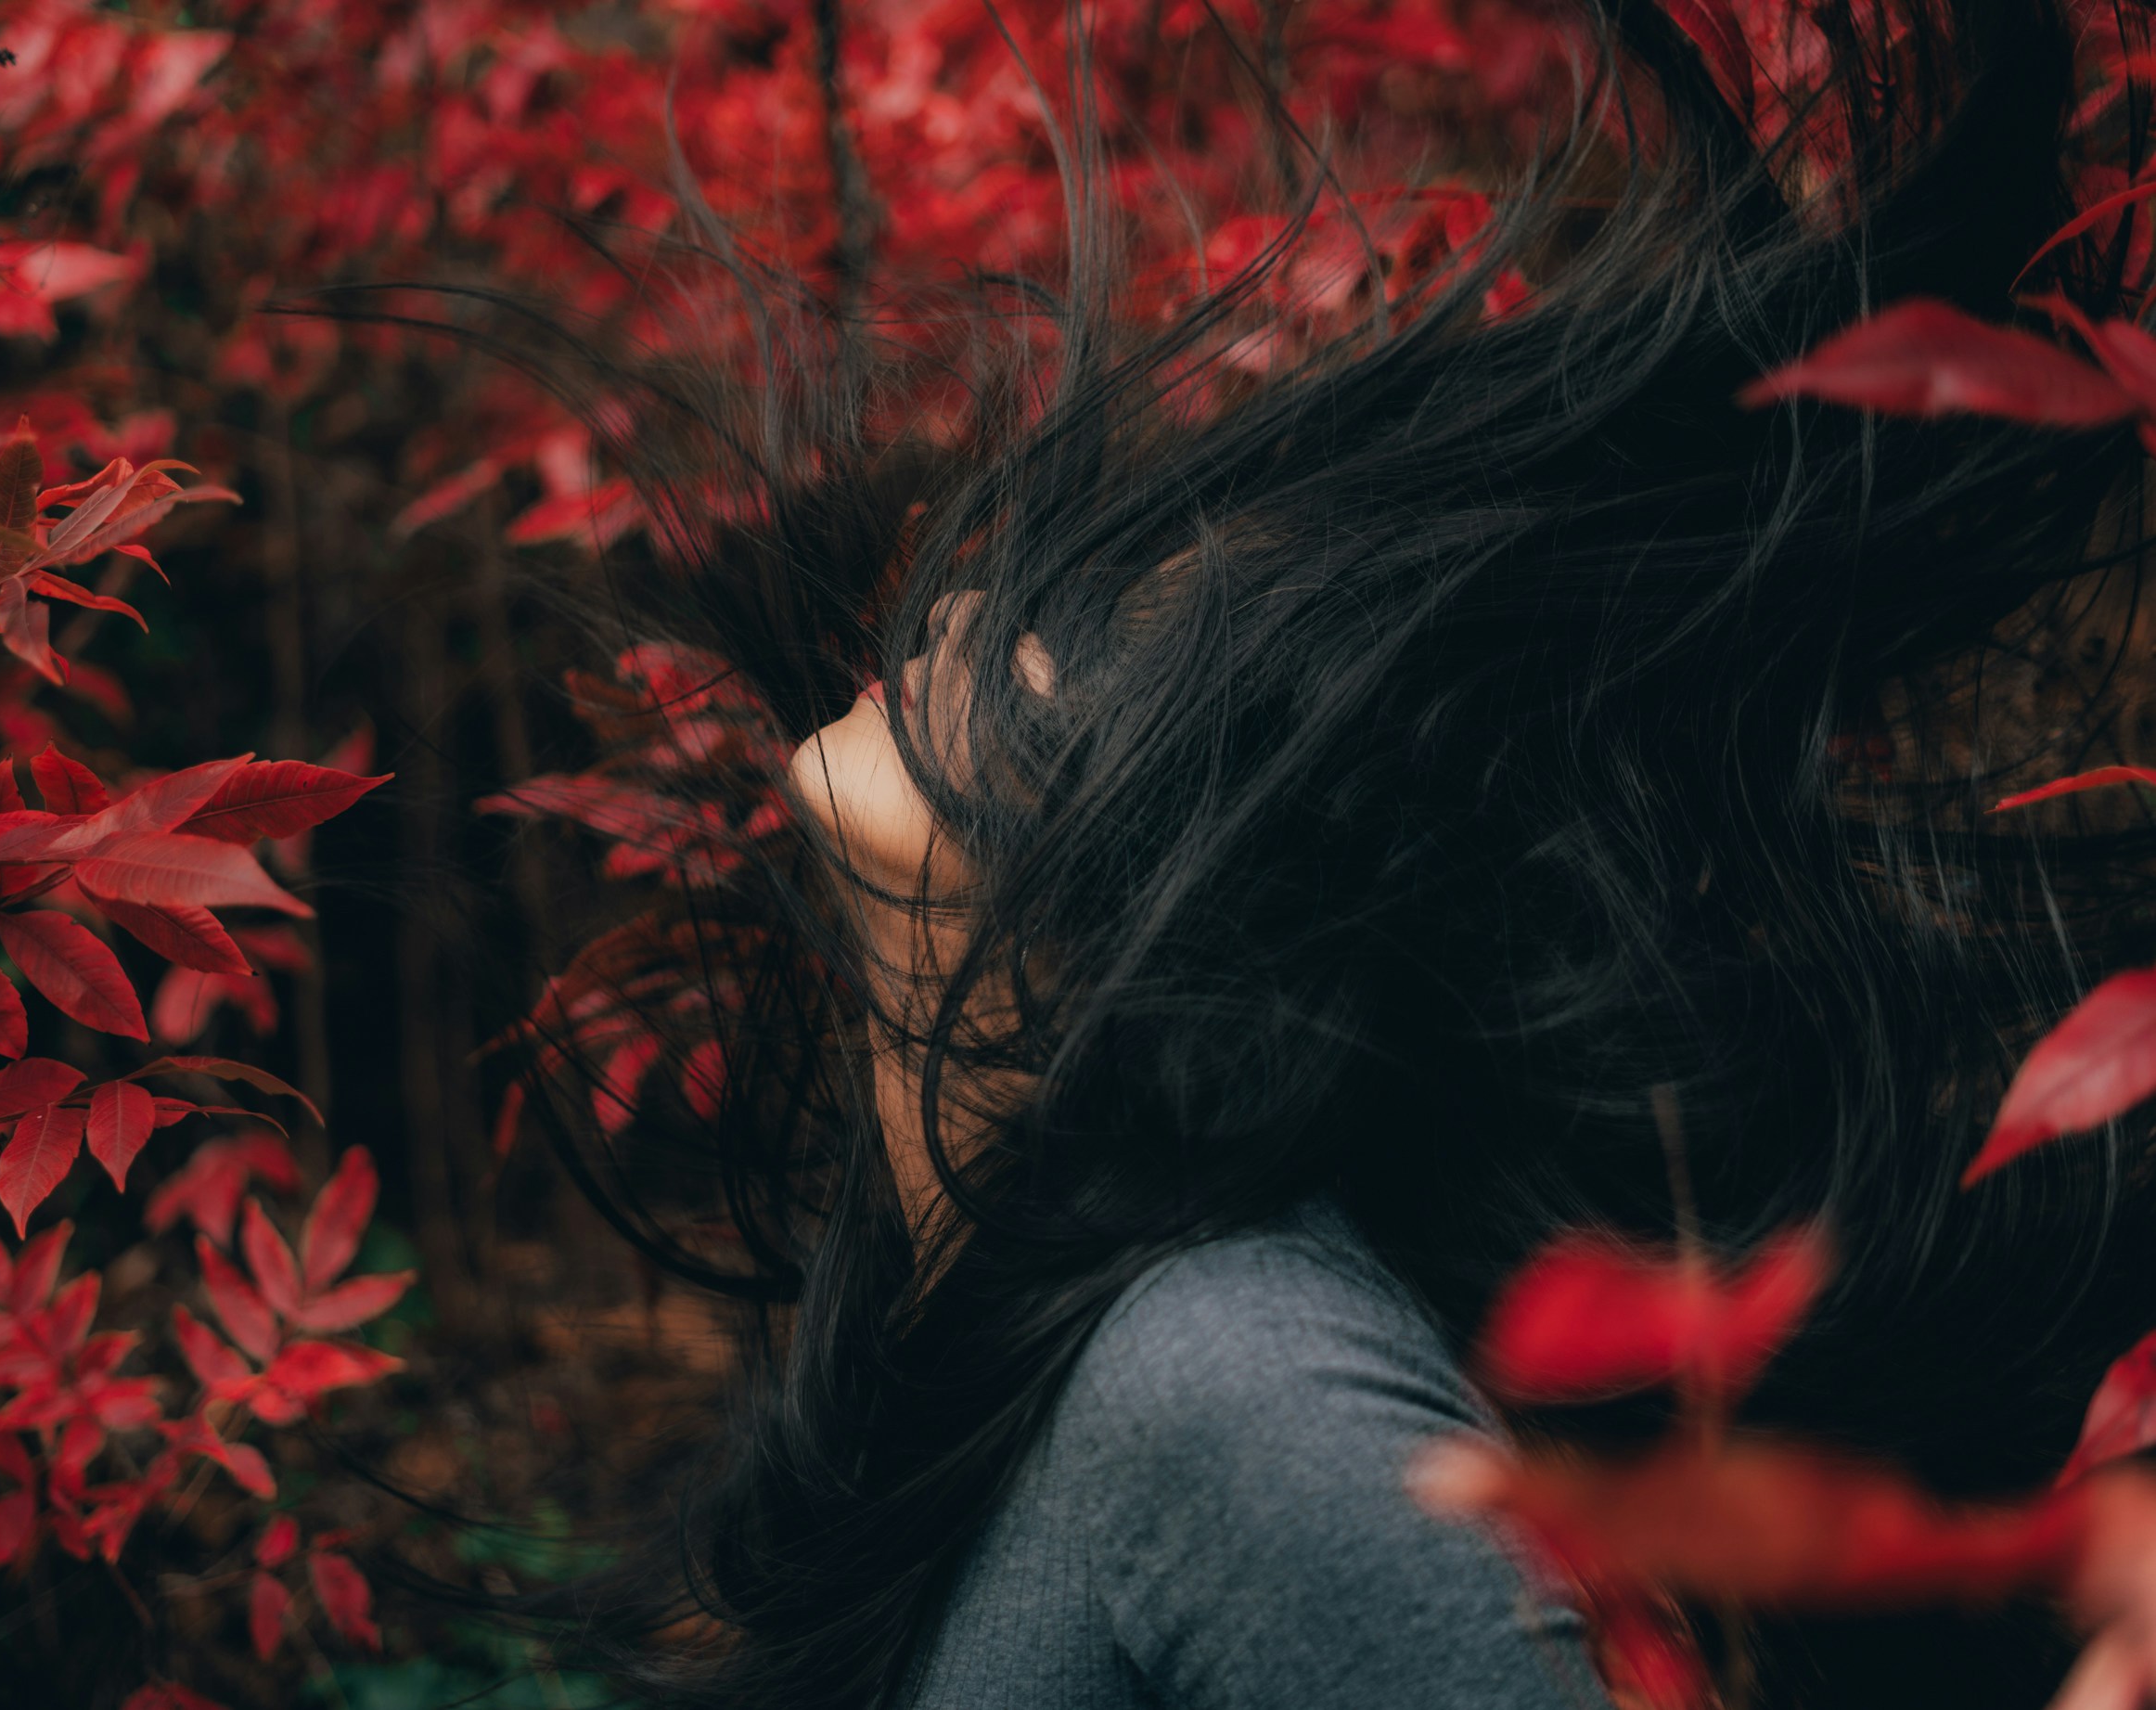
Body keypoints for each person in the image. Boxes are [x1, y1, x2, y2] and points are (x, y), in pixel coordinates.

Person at [498, 0, 2156, 1701]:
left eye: (1096, 650)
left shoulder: (1232, 1386)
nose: (979, 604)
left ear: (1196, 911)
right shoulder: (971, 1345)